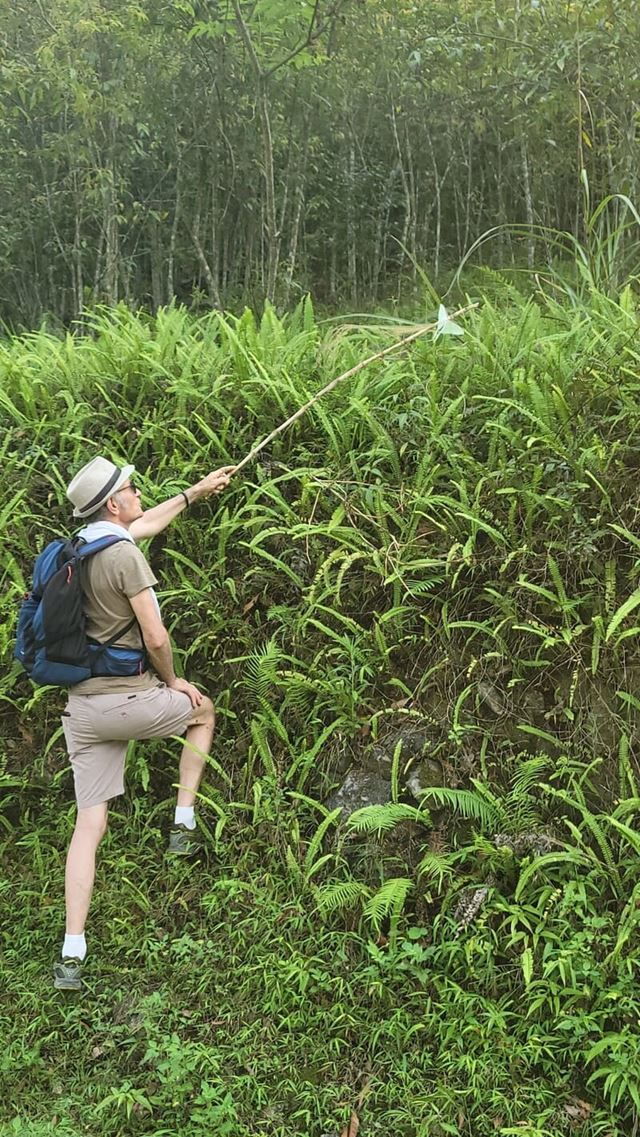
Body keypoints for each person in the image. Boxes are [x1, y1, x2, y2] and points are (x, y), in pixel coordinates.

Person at [53, 455, 235, 991]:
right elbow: (155, 638)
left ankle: (72, 953)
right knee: (204, 711)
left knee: (89, 825)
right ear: (114, 503)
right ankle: (182, 824)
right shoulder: (126, 557)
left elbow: (147, 522)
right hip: (128, 701)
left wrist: (196, 491)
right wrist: (174, 679)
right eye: (131, 489)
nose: (138, 494)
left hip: (81, 710)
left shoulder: (79, 548)